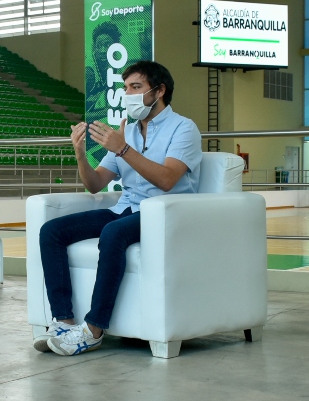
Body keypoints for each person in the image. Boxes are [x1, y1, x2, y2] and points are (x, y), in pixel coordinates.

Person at [38, 60, 203, 356]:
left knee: (113, 233)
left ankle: (94, 330)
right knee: (52, 231)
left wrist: (123, 149)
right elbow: (95, 184)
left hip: (164, 212)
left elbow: (167, 179)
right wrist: (79, 154)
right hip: (127, 209)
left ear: (159, 90)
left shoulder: (184, 128)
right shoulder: (126, 131)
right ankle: (63, 322)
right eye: (125, 88)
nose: (128, 94)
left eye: (136, 87)